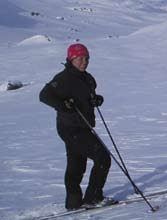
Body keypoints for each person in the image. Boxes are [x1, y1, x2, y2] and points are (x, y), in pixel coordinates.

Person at [39, 43, 113, 210]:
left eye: (86, 58)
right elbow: (44, 96)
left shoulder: (87, 78)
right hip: (71, 128)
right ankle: (93, 198)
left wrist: (96, 99)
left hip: (82, 126)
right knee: (103, 158)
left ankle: (73, 203)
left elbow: (89, 96)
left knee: (76, 165)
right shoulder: (63, 78)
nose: (83, 62)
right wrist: (63, 105)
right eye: (79, 59)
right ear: (71, 59)